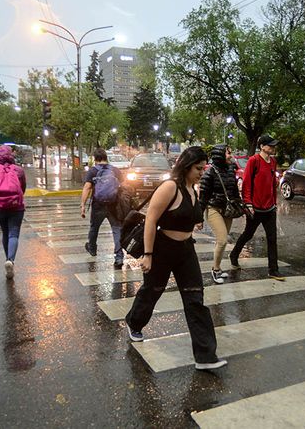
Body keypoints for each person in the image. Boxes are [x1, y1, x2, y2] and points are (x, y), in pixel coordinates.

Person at [125, 146, 227, 371]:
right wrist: (148, 255)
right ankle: (134, 321)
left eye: (204, 168)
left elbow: (189, 216)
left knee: (195, 300)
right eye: (198, 168)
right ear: (187, 165)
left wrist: (194, 221)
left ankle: (205, 356)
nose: (202, 172)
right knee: (152, 291)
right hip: (162, 249)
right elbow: (151, 220)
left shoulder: (194, 189)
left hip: (185, 250)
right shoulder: (170, 187)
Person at [229, 134, 286, 281]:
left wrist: (274, 202)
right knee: (248, 234)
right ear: (262, 146)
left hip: (269, 209)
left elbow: (272, 184)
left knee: (272, 239)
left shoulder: (273, 162)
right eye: (270, 145)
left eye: (274, 145)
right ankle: (234, 254)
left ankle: (273, 270)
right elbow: (247, 183)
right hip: (255, 208)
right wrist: (248, 204)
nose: (273, 148)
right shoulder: (254, 161)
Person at [199, 144, 242, 284]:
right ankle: (215, 269)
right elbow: (203, 198)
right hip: (214, 209)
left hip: (227, 210)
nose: (231, 155)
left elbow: (234, 191)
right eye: (228, 153)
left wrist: (241, 206)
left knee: (221, 242)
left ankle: (217, 267)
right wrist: (199, 218)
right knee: (222, 239)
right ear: (220, 155)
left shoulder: (231, 169)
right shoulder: (210, 173)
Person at [80, 148, 125, 269]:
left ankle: (92, 249)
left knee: (94, 228)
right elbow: (124, 186)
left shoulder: (93, 171)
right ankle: (119, 257)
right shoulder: (115, 170)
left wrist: (83, 205)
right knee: (116, 230)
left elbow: (87, 188)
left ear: (95, 159)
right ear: (106, 157)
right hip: (114, 205)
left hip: (98, 205)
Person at [0, 145, 26, 279]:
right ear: (11, 155)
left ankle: (7, 259)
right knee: (14, 233)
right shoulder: (19, 170)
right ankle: (11, 259)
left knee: (5, 232)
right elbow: (22, 188)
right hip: (16, 207)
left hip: (0, 207)